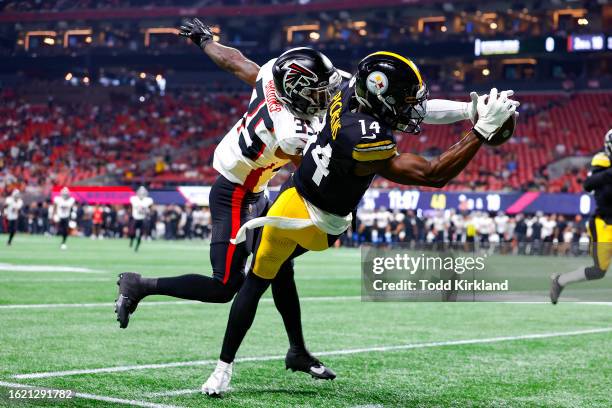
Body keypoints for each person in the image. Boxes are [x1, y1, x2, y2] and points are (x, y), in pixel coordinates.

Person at [200, 51, 518, 395]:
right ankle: (225, 368)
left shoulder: (348, 90)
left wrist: (468, 110)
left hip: (316, 209)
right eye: (402, 100)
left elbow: (420, 111)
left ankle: (290, 352)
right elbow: (432, 173)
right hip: (300, 211)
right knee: (258, 280)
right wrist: (480, 131)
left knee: (268, 274)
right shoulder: (362, 135)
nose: (411, 107)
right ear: (380, 96)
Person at [550, 129, 612, 303]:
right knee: (598, 271)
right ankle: (560, 280)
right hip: (604, 223)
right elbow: (588, 184)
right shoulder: (602, 160)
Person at [129, 186, 154, 252]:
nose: (141, 195)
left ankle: (136, 247)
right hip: (135, 218)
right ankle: (131, 240)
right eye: (140, 193)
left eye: (143, 194)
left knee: (140, 234)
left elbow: (151, 209)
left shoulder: (148, 200)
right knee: (132, 233)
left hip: (142, 219)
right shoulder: (134, 199)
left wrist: (148, 211)